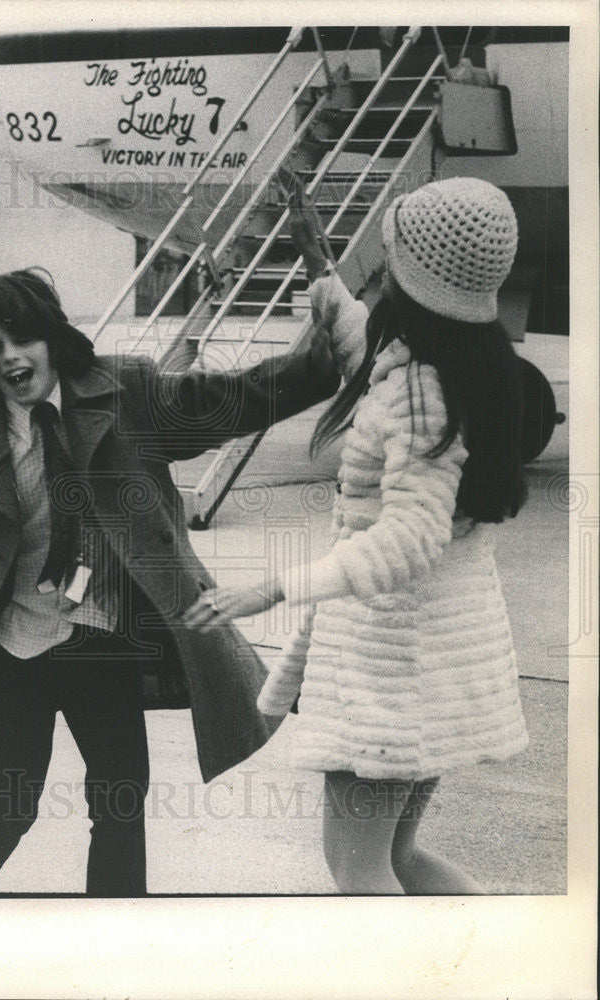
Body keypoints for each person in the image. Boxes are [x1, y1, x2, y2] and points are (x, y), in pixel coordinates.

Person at [0, 266, 343, 896]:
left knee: (119, 800)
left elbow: (228, 400)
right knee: (8, 807)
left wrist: (323, 361)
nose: (10, 359)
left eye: (21, 339)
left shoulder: (125, 393)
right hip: (9, 648)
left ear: (53, 336)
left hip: (99, 637)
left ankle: (117, 941)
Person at [184, 176, 530, 894]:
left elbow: (407, 540)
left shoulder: (419, 391)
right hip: (434, 666)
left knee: (357, 869)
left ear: (417, 275)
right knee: (396, 860)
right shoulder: (464, 365)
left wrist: (272, 587)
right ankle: (500, 963)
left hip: (389, 674)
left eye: (394, 249)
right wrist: (317, 264)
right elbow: (366, 360)